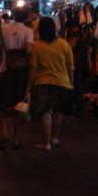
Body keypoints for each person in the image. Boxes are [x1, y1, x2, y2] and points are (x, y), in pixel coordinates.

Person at [27, 17, 74, 151]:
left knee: (45, 112)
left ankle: (45, 142)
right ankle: (54, 138)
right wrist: (71, 83)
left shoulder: (37, 46)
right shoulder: (64, 44)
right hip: (62, 83)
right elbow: (70, 66)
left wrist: (29, 85)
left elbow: (33, 69)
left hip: (43, 83)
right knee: (58, 111)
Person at [0, 6, 34, 149]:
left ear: (14, 15)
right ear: (27, 16)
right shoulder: (29, 31)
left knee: (1, 105)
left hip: (6, 72)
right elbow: (29, 52)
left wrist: (0, 65)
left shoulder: (3, 28)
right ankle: (16, 138)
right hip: (21, 75)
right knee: (20, 107)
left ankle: (5, 132)